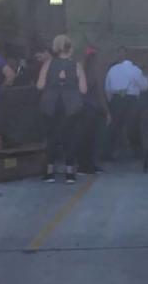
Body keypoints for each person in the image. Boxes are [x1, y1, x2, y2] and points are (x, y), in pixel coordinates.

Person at [37, 34, 87, 184]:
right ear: (70, 48)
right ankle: (70, 173)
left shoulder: (48, 64)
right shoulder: (77, 66)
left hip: (50, 105)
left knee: (51, 138)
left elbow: (39, 85)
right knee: (70, 138)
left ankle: (49, 173)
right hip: (71, 106)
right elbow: (84, 90)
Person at [104, 47, 148, 159]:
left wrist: (111, 101)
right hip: (131, 100)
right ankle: (137, 153)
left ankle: (108, 153)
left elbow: (107, 88)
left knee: (114, 127)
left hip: (116, 99)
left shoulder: (112, 69)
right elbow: (145, 87)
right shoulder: (135, 70)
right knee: (132, 126)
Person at [77, 46, 110, 175]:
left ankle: (83, 165)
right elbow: (100, 94)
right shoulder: (96, 71)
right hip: (94, 109)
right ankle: (89, 165)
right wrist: (107, 111)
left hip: (82, 108)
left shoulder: (80, 70)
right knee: (92, 140)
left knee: (83, 138)